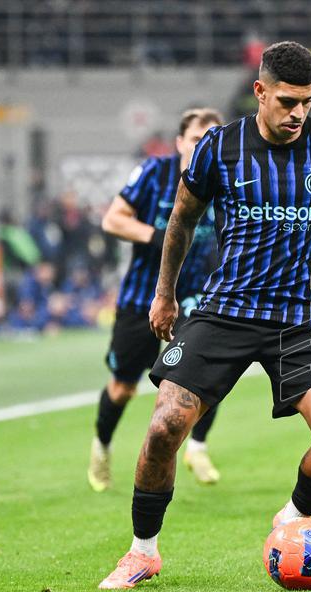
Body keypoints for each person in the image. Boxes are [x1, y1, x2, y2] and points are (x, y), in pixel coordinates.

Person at [98, 41, 311, 589]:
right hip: (226, 310)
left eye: (308, 102)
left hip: (299, 316)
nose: (298, 114)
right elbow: (180, 221)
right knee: (163, 427)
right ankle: (142, 552)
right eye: (289, 101)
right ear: (261, 92)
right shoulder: (219, 148)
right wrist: (165, 296)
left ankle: (292, 521)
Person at [89, 108, 225, 492]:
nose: (204, 147)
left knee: (206, 377)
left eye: (212, 140)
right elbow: (113, 220)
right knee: (123, 387)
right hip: (141, 297)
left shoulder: (227, 179)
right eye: (198, 139)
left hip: (197, 297)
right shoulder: (155, 173)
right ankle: (101, 446)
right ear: (181, 142)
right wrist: (161, 237)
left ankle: (197, 446)